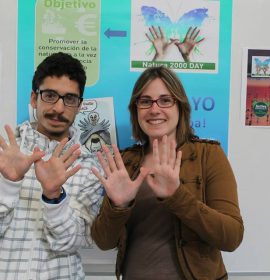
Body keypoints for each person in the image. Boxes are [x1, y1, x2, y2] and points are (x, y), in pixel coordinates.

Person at [91, 66, 244, 280]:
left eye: (165, 100)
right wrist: (118, 206)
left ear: (180, 107)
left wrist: (177, 196)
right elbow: (103, 241)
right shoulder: (125, 162)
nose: (154, 109)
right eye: (145, 101)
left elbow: (231, 237)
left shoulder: (208, 155)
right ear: (136, 109)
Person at [0, 52, 103, 279]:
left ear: (79, 106)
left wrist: (54, 196)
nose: (58, 108)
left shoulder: (88, 166)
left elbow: (70, 243)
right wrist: (8, 185)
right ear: (34, 98)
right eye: (49, 95)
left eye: (69, 99)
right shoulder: (5, 153)